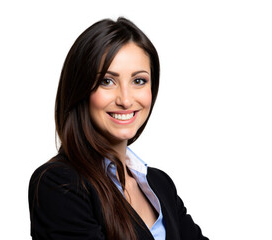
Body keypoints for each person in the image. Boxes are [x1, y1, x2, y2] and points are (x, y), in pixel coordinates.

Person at [28, 17, 208, 240]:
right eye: (107, 81)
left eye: (139, 81)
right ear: (81, 89)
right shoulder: (59, 183)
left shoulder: (160, 185)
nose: (125, 99)